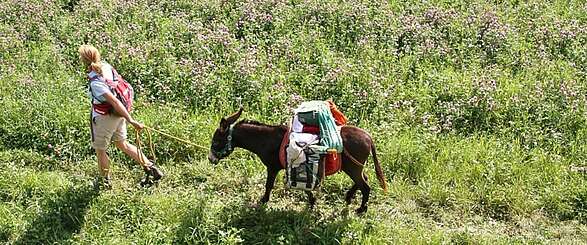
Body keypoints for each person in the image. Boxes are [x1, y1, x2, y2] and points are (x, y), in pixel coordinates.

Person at [79, 44, 163, 189]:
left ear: (83, 60)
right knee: (121, 144)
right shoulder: (106, 66)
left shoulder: (96, 82)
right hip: (119, 115)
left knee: (100, 150)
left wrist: (131, 120)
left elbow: (114, 101)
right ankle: (151, 169)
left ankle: (105, 182)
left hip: (105, 117)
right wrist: (126, 116)